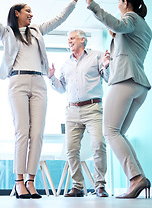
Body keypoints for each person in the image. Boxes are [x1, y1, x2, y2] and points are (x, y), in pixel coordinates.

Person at [0, 0, 84, 199]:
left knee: (37, 134)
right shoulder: (6, 32)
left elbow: (59, 18)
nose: (31, 14)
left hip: (39, 82)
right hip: (17, 82)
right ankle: (18, 181)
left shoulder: (37, 30)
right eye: (27, 11)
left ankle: (31, 181)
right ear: (16, 13)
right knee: (22, 132)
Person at [83, 0, 152, 199]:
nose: (118, 5)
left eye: (119, 1)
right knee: (118, 133)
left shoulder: (130, 17)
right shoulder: (144, 26)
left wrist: (92, 4)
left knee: (110, 132)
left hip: (125, 81)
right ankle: (139, 178)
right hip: (139, 85)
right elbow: (125, 38)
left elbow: (120, 23)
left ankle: (135, 178)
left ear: (125, 2)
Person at [48, 30, 110, 197]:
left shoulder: (96, 56)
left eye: (72, 38)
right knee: (71, 149)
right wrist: (52, 78)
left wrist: (106, 66)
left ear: (83, 40)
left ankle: (100, 185)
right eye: (68, 39)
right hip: (72, 110)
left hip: (92, 108)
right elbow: (61, 88)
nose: (69, 41)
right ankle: (78, 186)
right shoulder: (65, 64)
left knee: (98, 145)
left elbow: (108, 78)